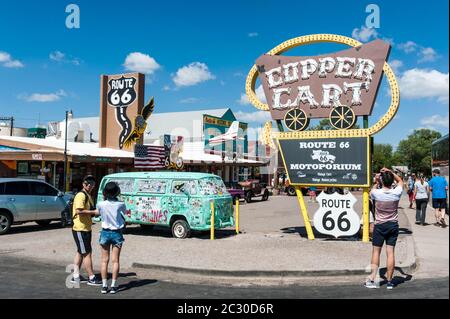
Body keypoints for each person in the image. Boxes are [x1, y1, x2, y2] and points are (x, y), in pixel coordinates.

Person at [365, 168, 403, 290]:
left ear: (382, 180)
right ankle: (390, 281)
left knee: (376, 252)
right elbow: (400, 180)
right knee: (390, 252)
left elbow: (373, 188)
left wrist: (377, 180)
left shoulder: (376, 193)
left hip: (380, 225)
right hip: (393, 225)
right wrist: (390, 172)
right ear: (392, 181)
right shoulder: (396, 192)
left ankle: (372, 279)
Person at [70, 175, 102, 286]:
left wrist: (95, 212)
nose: (92, 187)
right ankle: (91, 277)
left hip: (85, 228)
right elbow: (79, 211)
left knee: (80, 251)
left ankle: (75, 276)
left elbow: (89, 210)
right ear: (84, 184)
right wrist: (93, 212)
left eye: (93, 185)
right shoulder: (80, 195)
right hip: (80, 228)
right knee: (87, 253)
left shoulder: (88, 195)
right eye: (90, 185)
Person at [96, 181, 127, 294]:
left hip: (104, 232)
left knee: (104, 261)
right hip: (117, 232)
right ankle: (113, 285)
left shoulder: (101, 204)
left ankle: (104, 286)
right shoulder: (121, 204)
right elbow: (125, 213)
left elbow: (98, 214)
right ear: (117, 192)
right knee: (115, 261)